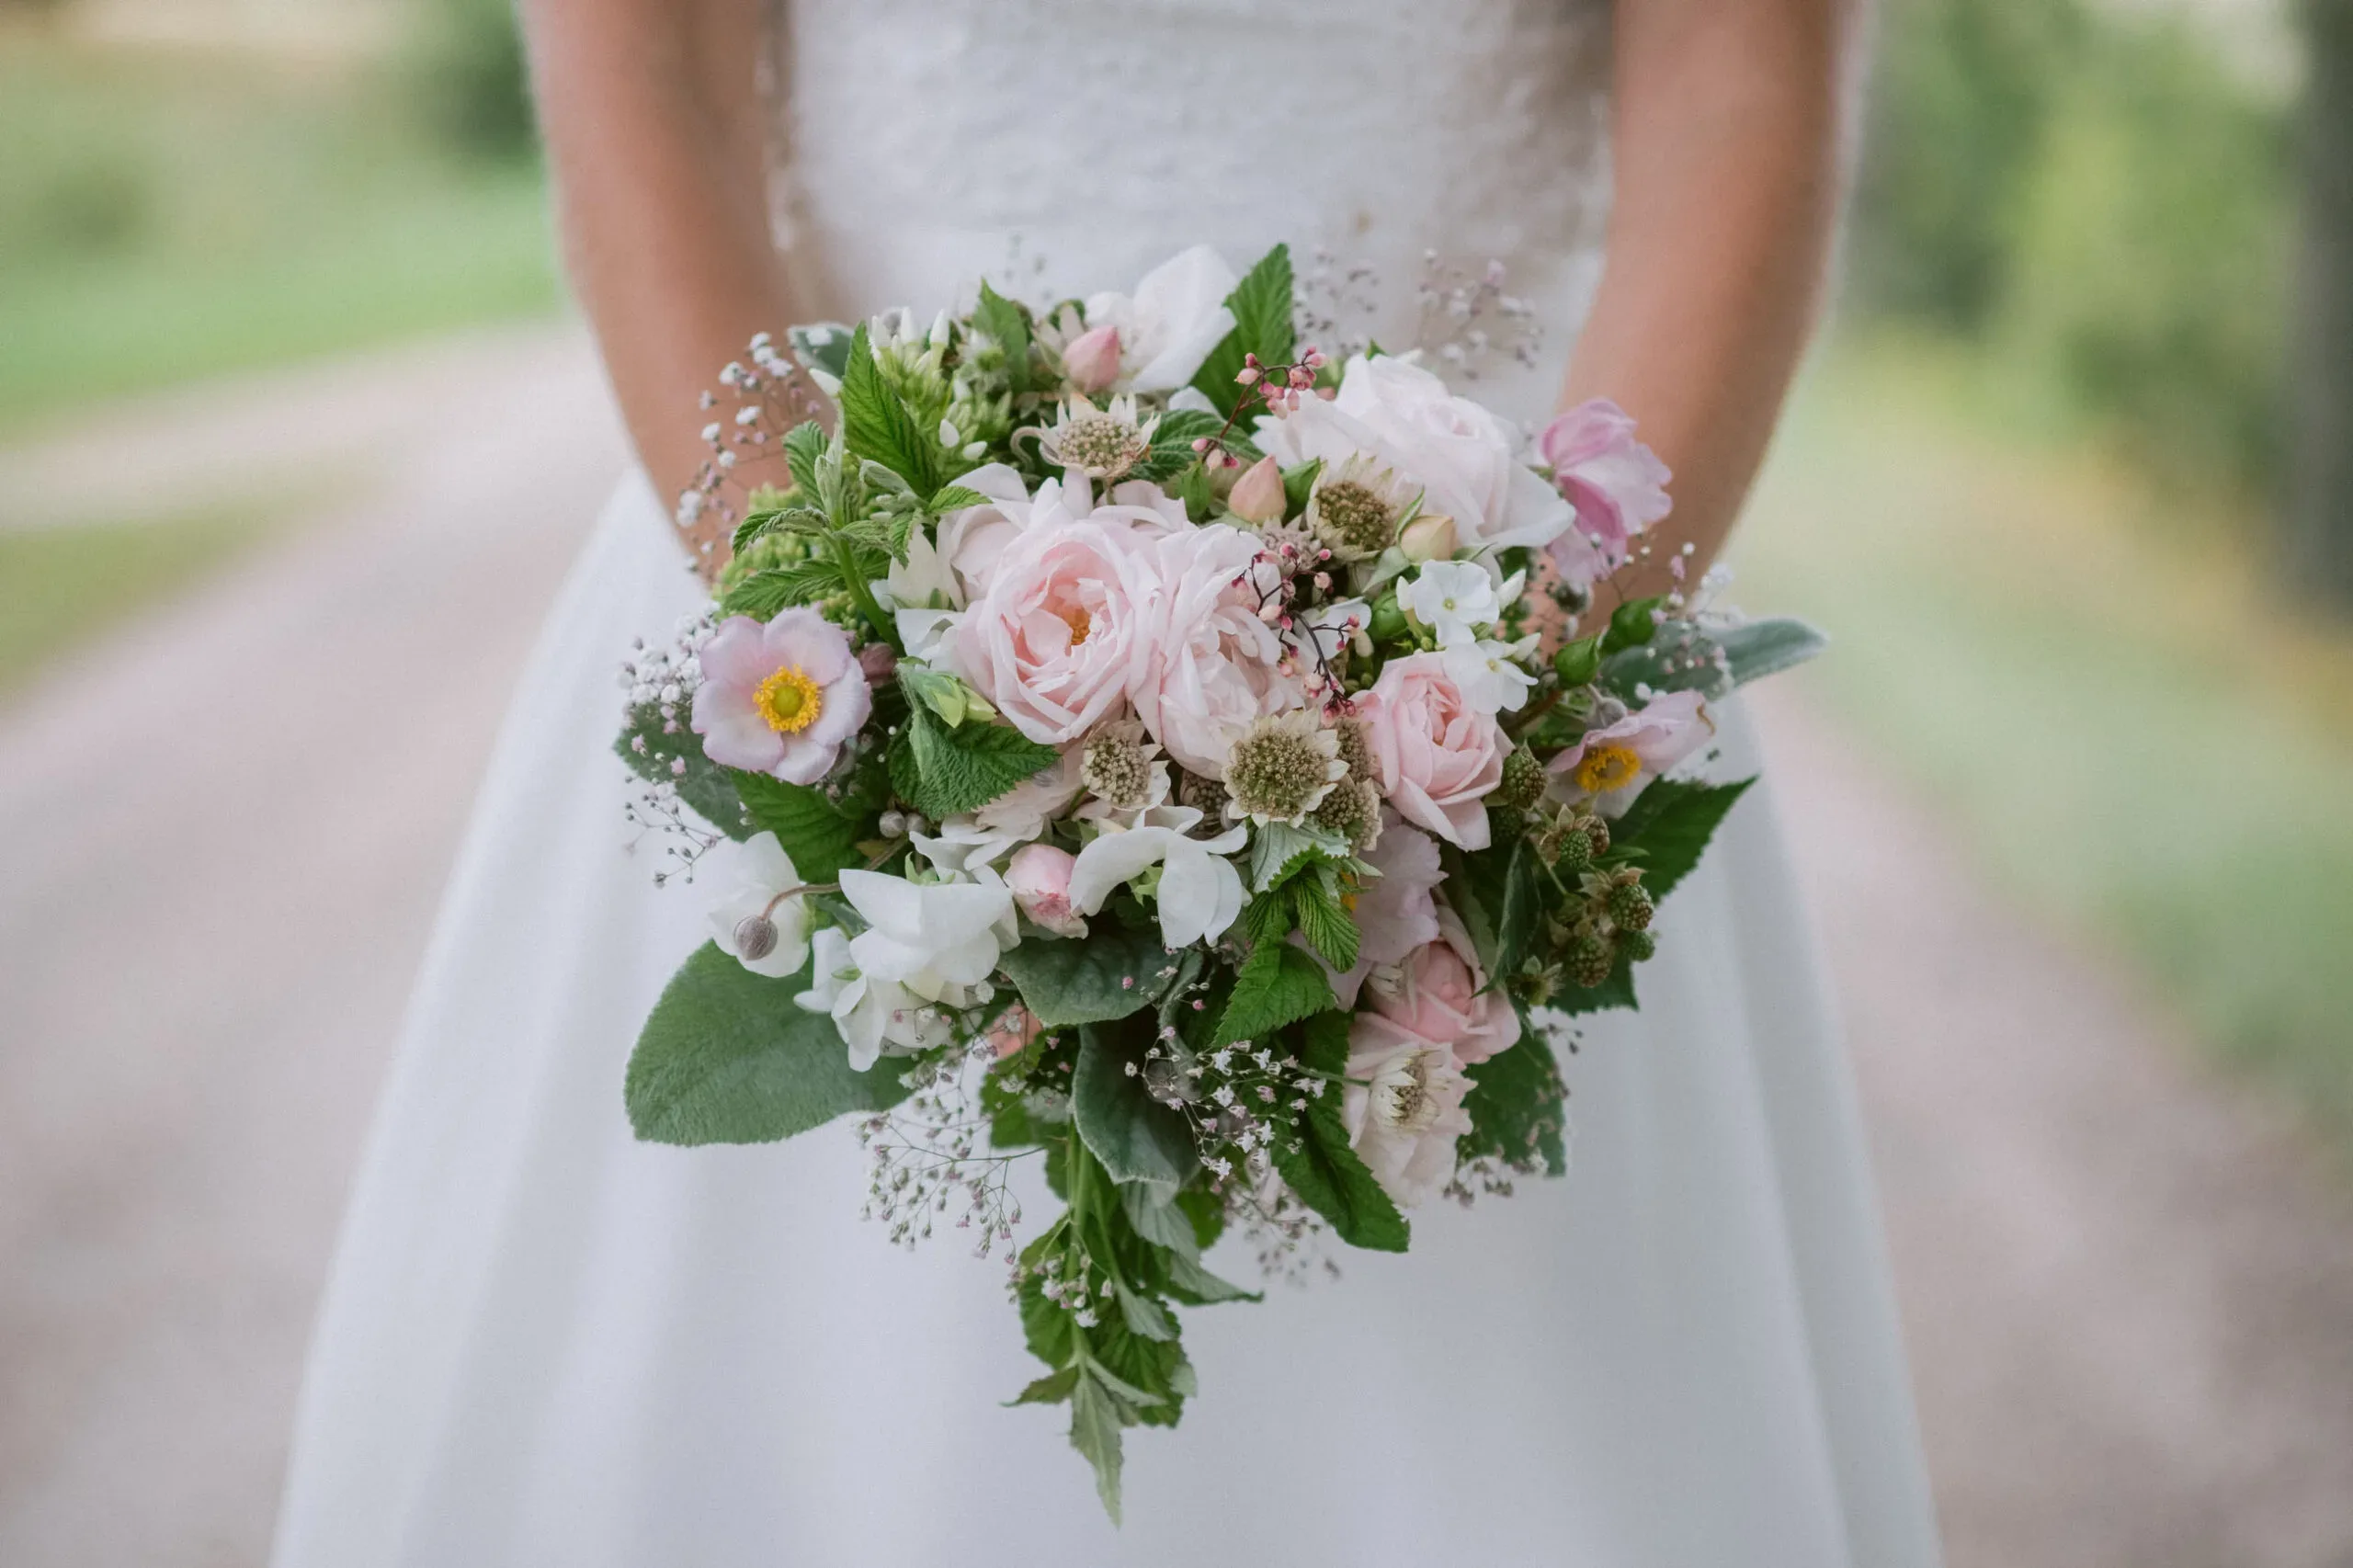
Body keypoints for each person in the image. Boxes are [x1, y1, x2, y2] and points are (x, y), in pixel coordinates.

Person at [272, 2, 1944, 1563]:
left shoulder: (1491, 667)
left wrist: (1498, 683)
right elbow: (658, 79)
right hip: (827, 579)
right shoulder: (846, 648)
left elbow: (1735, 97)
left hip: (1480, 600)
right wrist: (872, 661)